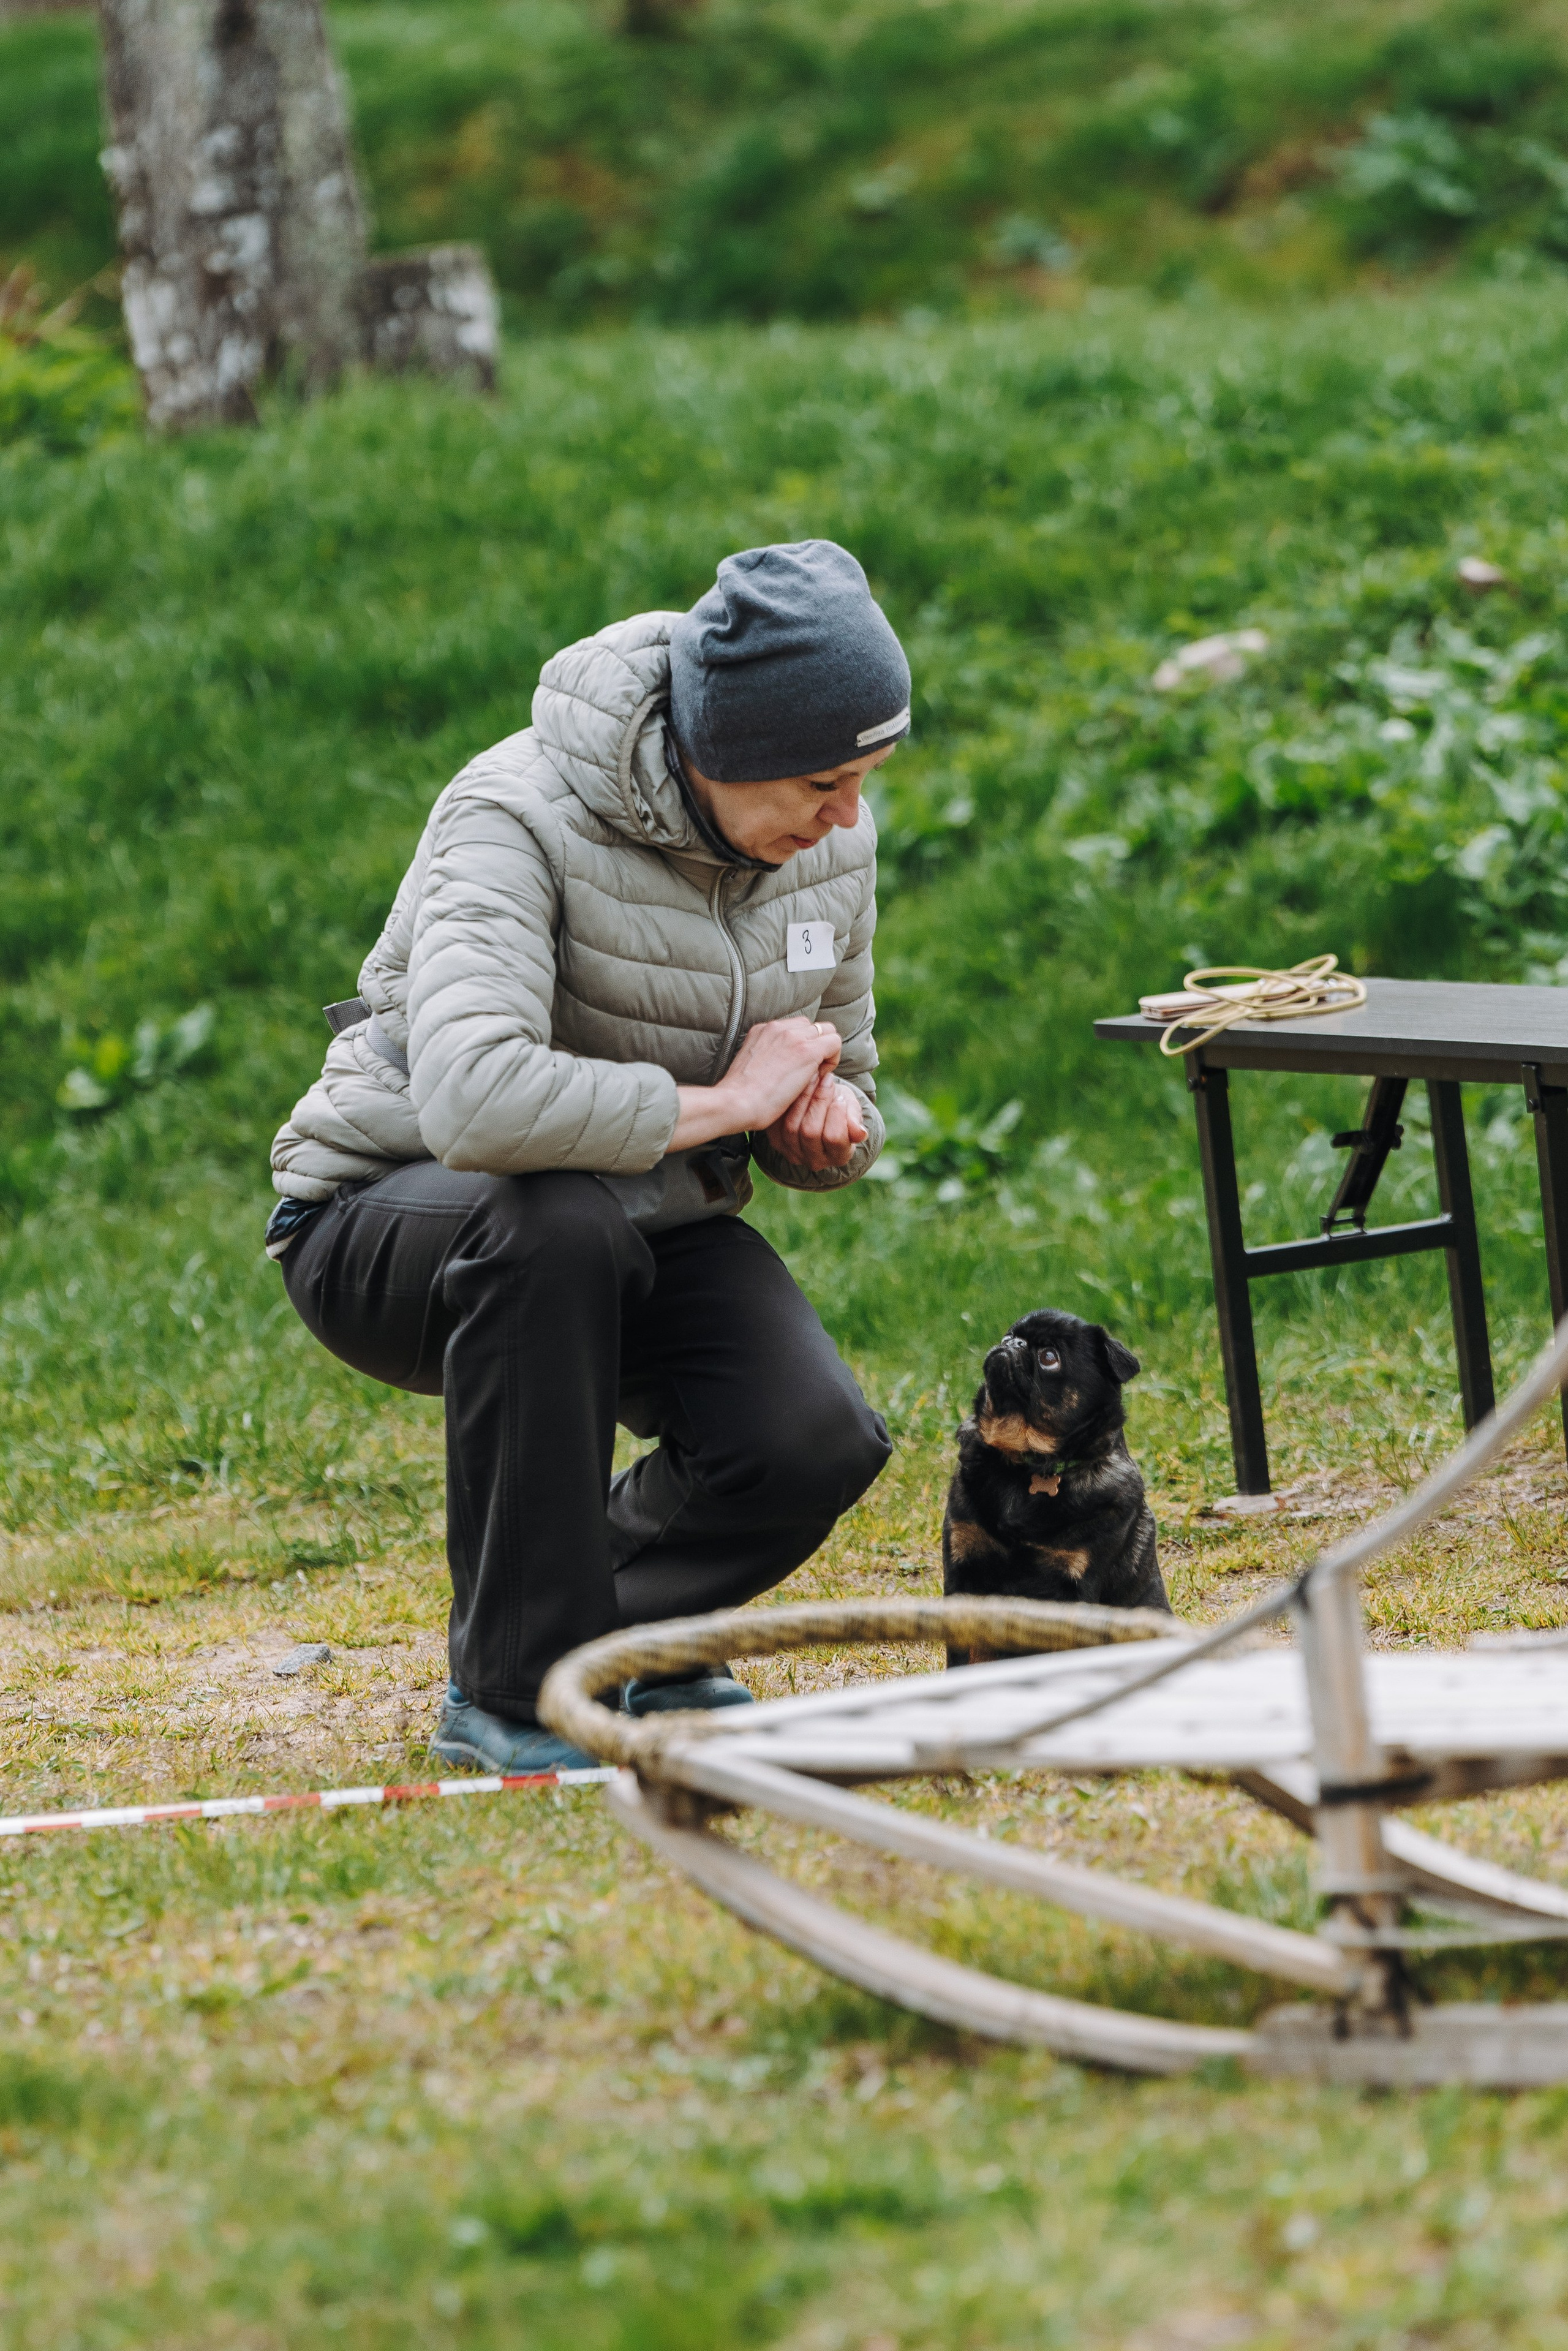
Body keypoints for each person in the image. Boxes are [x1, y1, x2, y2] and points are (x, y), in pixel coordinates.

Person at [264, 540, 905, 1769]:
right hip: (386, 1218)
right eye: (823, 781)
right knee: (555, 1224)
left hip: (644, 1216)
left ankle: (618, 1645)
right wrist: (728, 1101)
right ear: (722, 747)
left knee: (809, 1438)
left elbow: (846, 1074)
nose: (847, 815)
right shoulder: (512, 810)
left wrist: (821, 1127)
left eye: (867, 778)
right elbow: (473, 1103)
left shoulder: (827, 846)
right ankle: (510, 1694)